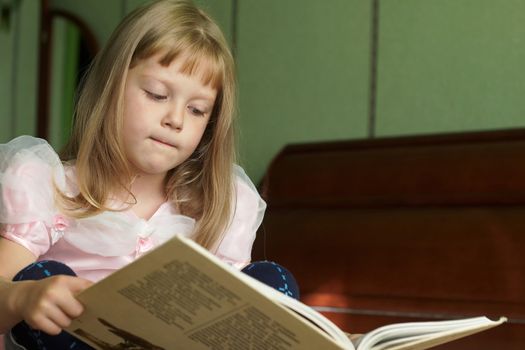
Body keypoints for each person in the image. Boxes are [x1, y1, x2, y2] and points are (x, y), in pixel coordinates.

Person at [0, 1, 298, 349]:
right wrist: (23, 297)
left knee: (273, 282)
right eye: (157, 94)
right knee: (42, 278)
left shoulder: (221, 204)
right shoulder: (47, 185)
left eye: (197, 109)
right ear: (111, 87)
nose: (176, 119)